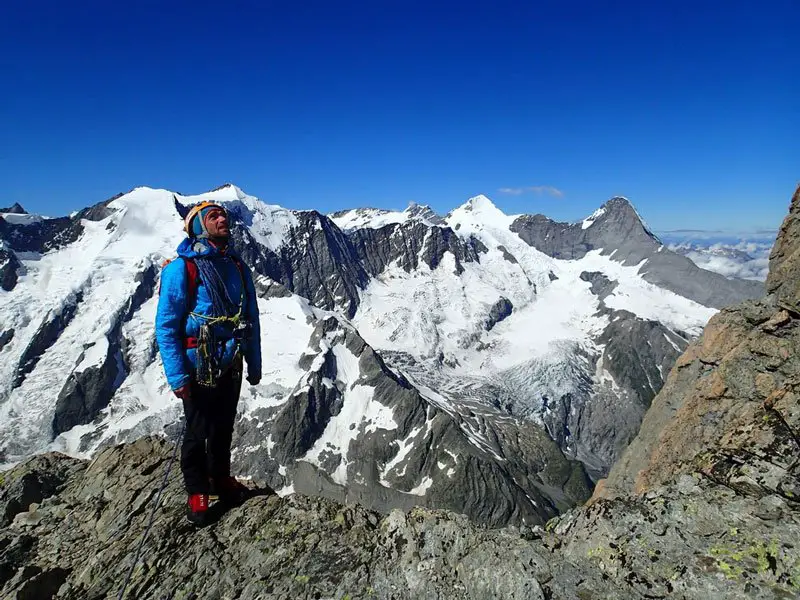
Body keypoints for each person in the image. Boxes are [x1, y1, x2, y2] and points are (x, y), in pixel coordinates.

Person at [155, 200, 261, 526]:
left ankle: (221, 478)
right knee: (197, 430)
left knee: (223, 428)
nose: (222, 219)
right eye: (213, 216)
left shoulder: (237, 266)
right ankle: (197, 492)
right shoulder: (180, 270)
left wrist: (254, 363)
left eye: (223, 215)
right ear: (199, 226)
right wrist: (177, 377)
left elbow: (250, 317)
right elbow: (166, 326)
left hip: (230, 361)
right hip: (197, 363)